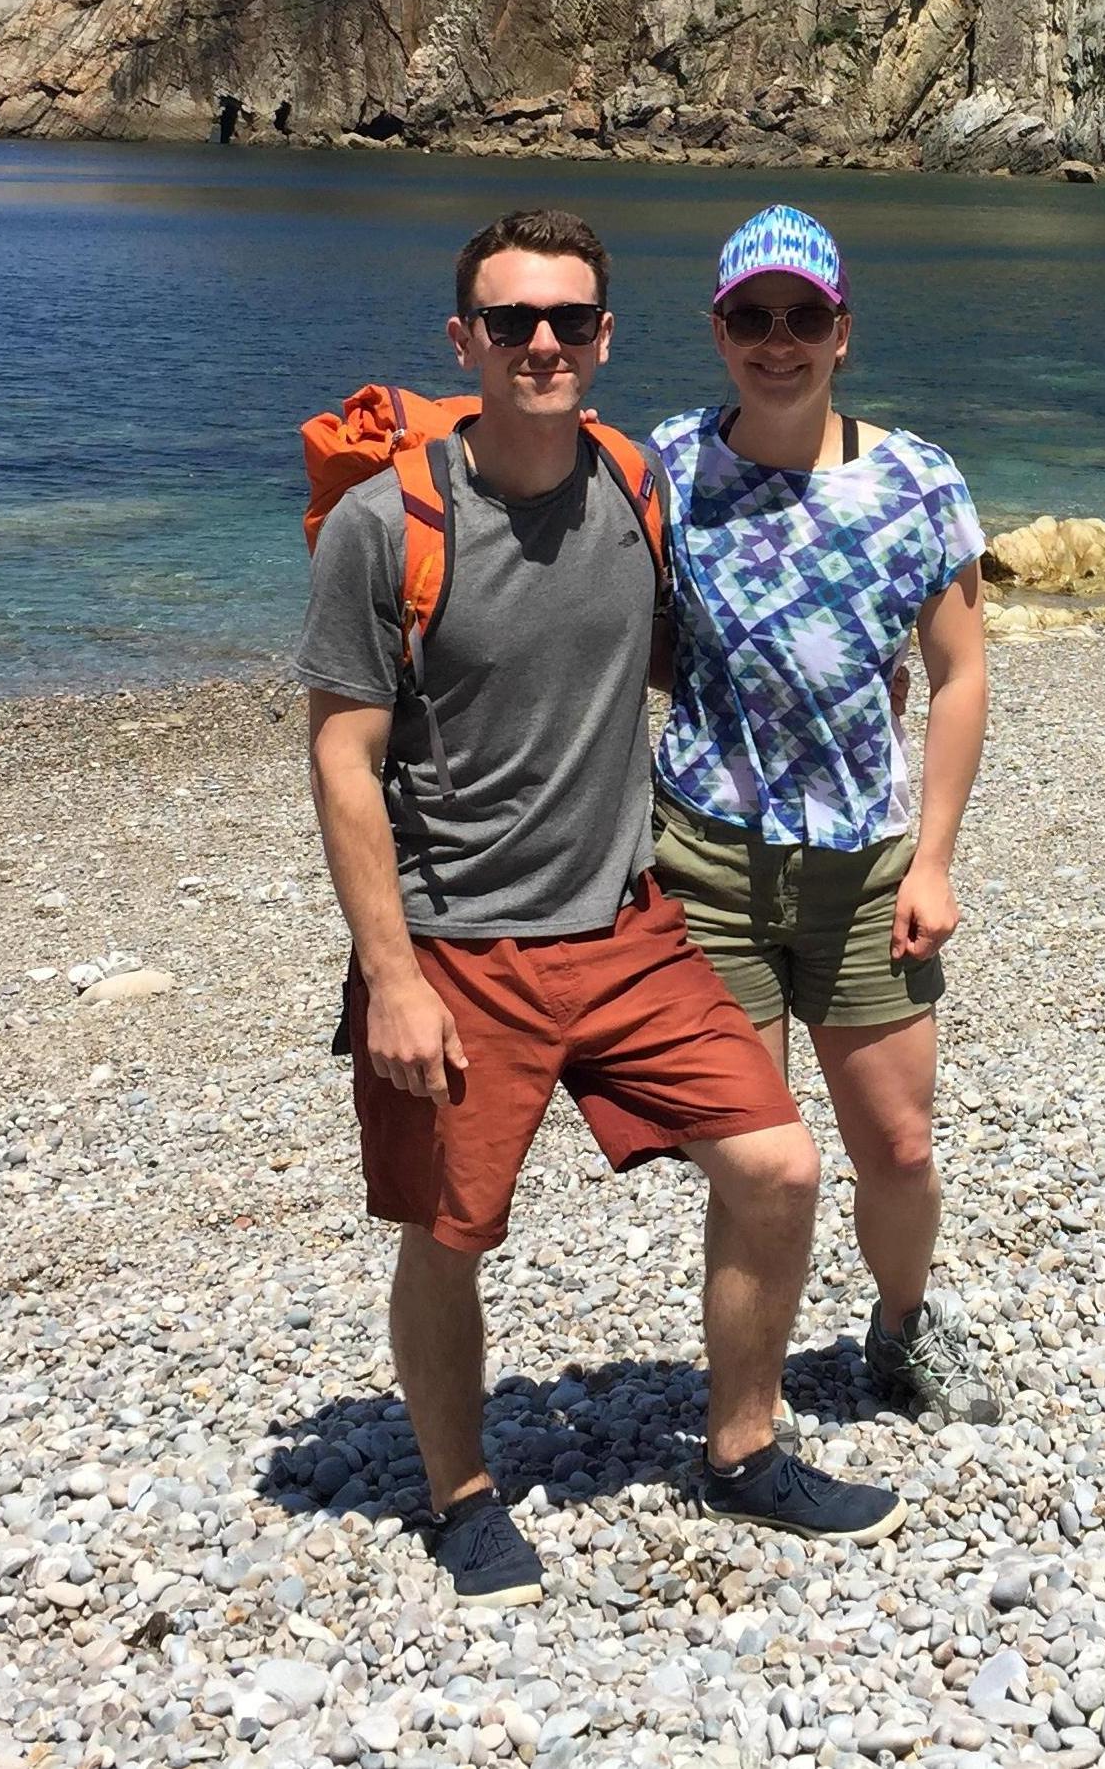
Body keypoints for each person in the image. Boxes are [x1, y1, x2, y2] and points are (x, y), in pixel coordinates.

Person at [297, 207, 908, 1610]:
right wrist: (389, 974)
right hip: (458, 945)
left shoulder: (637, 484)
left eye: (568, 319)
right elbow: (342, 752)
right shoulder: (388, 525)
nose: (541, 344)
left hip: (627, 926)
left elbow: (702, 653)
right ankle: (457, 1491)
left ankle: (742, 1444)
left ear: (606, 336)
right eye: (510, 322)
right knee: (448, 1230)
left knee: (776, 1164)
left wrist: (857, 700)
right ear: (462, 339)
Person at [649, 205, 1000, 1426]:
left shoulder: (915, 482)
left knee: (897, 1144)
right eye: (752, 316)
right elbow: (616, 629)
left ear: (841, 330)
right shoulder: (667, 466)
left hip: (862, 862)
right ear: (717, 328)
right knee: (752, 1161)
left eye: (802, 316)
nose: (776, 339)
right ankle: (746, 1406)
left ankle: (902, 1324)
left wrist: (935, 859)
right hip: (705, 859)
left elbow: (958, 676)